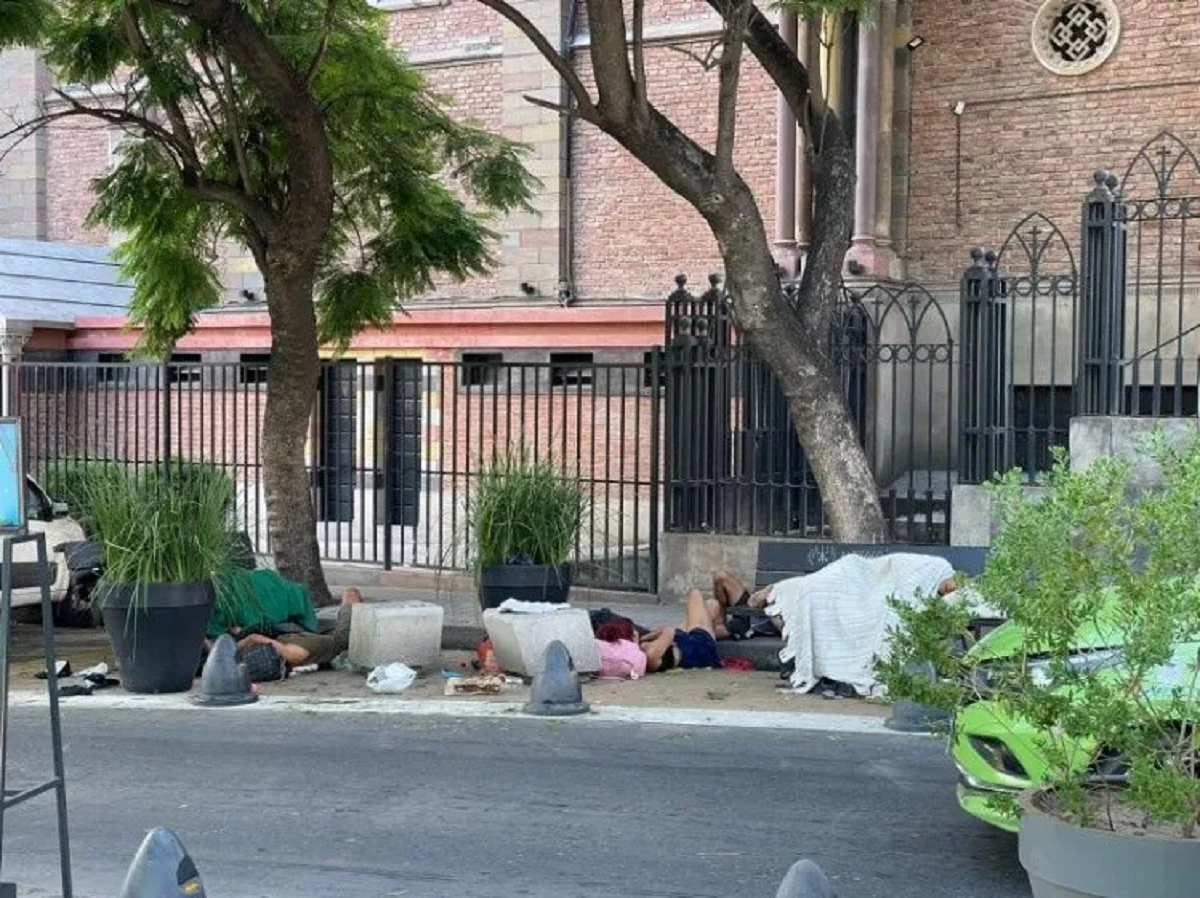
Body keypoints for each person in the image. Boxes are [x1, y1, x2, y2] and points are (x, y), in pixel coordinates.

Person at [234, 587, 361, 668]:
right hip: (283, 646)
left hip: (282, 641)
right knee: (342, 639)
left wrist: (255, 639)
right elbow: (300, 654)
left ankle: (350, 598)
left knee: (341, 639)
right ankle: (350, 598)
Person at [637, 589, 725, 672]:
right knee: (695, 594)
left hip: (686, 643)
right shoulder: (650, 654)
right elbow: (669, 631)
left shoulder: (644, 651)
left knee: (711, 605)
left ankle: (722, 630)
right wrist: (644, 638)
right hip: (699, 646)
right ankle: (720, 628)